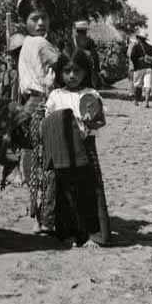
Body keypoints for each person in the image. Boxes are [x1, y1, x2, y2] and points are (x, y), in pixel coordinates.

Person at [43, 49, 111, 247]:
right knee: (65, 190)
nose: (71, 76)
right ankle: (69, 232)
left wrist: (92, 121)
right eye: (67, 71)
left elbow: (101, 121)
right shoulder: (55, 95)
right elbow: (47, 120)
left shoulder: (91, 94)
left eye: (76, 71)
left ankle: (95, 234)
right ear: (59, 73)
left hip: (85, 146)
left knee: (91, 188)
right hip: (62, 148)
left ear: (85, 72)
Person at [17, 0, 60, 234]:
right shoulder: (42, 44)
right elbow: (63, 66)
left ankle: (36, 211)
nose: (41, 23)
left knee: (33, 161)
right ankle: (46, 216)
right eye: (35, 18)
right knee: (47, 160)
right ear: (26, 21)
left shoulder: (24, 44)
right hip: (43, 103)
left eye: (44, 17)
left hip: (28, 105)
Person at [130, 29, 152, 107]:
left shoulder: (136, 46)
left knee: (137, 85)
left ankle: (136, 100)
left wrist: (136, 64)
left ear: (139, 38)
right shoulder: (151, 47)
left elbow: (132, 56)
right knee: (148, 85)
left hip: (139, 67)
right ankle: (146, 102)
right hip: (148, 68)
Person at [73, 20, 101, 87]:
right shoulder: (89, 41)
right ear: (85, 31)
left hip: (74, 66)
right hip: (86, 68)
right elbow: (95, 56)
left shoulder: (72, 41)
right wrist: (97, 70)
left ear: (77, 30)